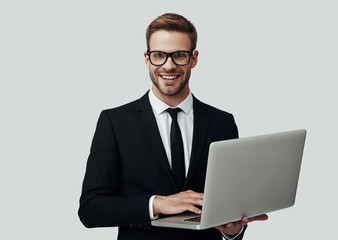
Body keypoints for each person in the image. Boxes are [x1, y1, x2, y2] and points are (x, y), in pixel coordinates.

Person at [78, 13, 268, 240]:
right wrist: (157, 204)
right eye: (159, 55)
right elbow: (91, 209)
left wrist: (233, 230)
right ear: (147, 59)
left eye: (179, 55)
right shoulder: (114, 121)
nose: (168, 66)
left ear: (194, 58)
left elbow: (230, 202)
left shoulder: (222, 122)